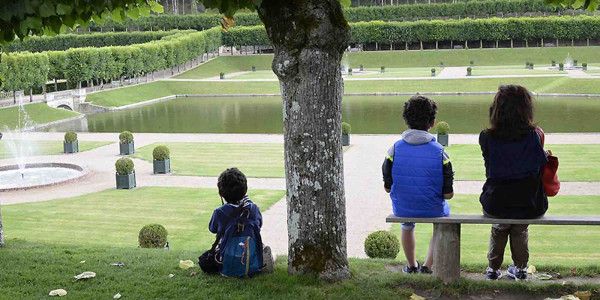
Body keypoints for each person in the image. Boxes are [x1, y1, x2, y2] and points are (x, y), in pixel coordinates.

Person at [479, 85, 549, 281]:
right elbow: (535, 166)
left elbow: (492, 169)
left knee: (500, 227)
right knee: (520, 228)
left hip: (496, 203)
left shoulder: (486, 136)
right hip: (529, 204)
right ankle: (520, 269)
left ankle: (493, 269)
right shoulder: (533, 135)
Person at [382, 95, 454, 274]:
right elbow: (448, 194)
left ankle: (411, 265)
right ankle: (427, 266)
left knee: (406, 225)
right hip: (434, 208)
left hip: (404, 207)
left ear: (406, 121)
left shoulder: (395, 149)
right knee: (440, 224)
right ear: (433, 122)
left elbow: (387, 184)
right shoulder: (440, 152)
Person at [208, 168, 274, 275]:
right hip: (249, 252)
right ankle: (264, 258)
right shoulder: (253, 209)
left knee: (220, 245)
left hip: (227, 258)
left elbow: (212, 229)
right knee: (260, 244)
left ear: (221, 193)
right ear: (245, 190)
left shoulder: (219, 212)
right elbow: (259, 225)